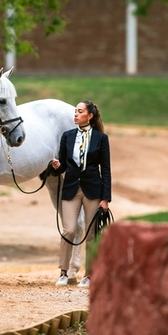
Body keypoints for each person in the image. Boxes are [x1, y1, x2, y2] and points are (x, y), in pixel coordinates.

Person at [50, 100, 111, 288]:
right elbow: (63, 167)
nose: (75, 114)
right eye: (75, 111)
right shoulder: (67, 137)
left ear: (89, 116)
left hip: (93, 190)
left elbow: (106, 169)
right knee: (68, 230)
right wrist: (57, 167)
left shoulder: (101, 139)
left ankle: (89, 275)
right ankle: (63, 272)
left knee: (91, 233)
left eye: (79, 111)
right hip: (71, 190)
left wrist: (106, 198)